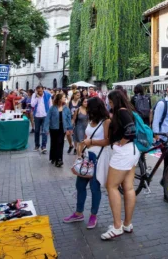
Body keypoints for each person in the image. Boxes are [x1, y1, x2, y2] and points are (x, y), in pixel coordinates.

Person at [63, 97, 111, 229]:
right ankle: (79, 212)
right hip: (87, 155)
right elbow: (86, 136)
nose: (87, 109)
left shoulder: (106, 121)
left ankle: (93, 215)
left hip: (98, 157)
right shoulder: (91, 120)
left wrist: (92, 142)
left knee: (95, 187)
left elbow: (108, 141)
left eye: (89, 107)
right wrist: (81, 150)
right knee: (80, 184)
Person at [101, 90, 140, 241]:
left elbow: (130, 130)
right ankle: (127, 224)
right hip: (132, 151)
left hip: (124, 152)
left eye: (110, 102)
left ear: (114, 101)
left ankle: (117, 226)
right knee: (128, 187)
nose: (109, 104)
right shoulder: (128, 110)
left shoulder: (121, 112)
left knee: (111, 186)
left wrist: (120, 143)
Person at [45, 93, 73, 166]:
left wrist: (69, 128)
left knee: (60, 143)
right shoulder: (52, 108)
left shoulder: (66, 108)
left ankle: (59, 160)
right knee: (54, 143)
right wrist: (46, 128)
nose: (65, 98)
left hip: (62, 128)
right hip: (53, 128)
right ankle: (53, 157)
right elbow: (48, 118)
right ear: (59, 99)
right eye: (64, 97)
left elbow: (69, 119)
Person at [31, 85, 51, 154]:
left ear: (43, 89)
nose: (40, 92)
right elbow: (32, 105)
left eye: (41, 91)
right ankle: (37, 145)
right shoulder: (34, 95)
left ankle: (43, 146)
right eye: (38, 91)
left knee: (44, 131)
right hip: (37, 115)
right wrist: (37, 97)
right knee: (36, 131)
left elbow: (50, 105)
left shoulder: (48, 95)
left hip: (45, 115)